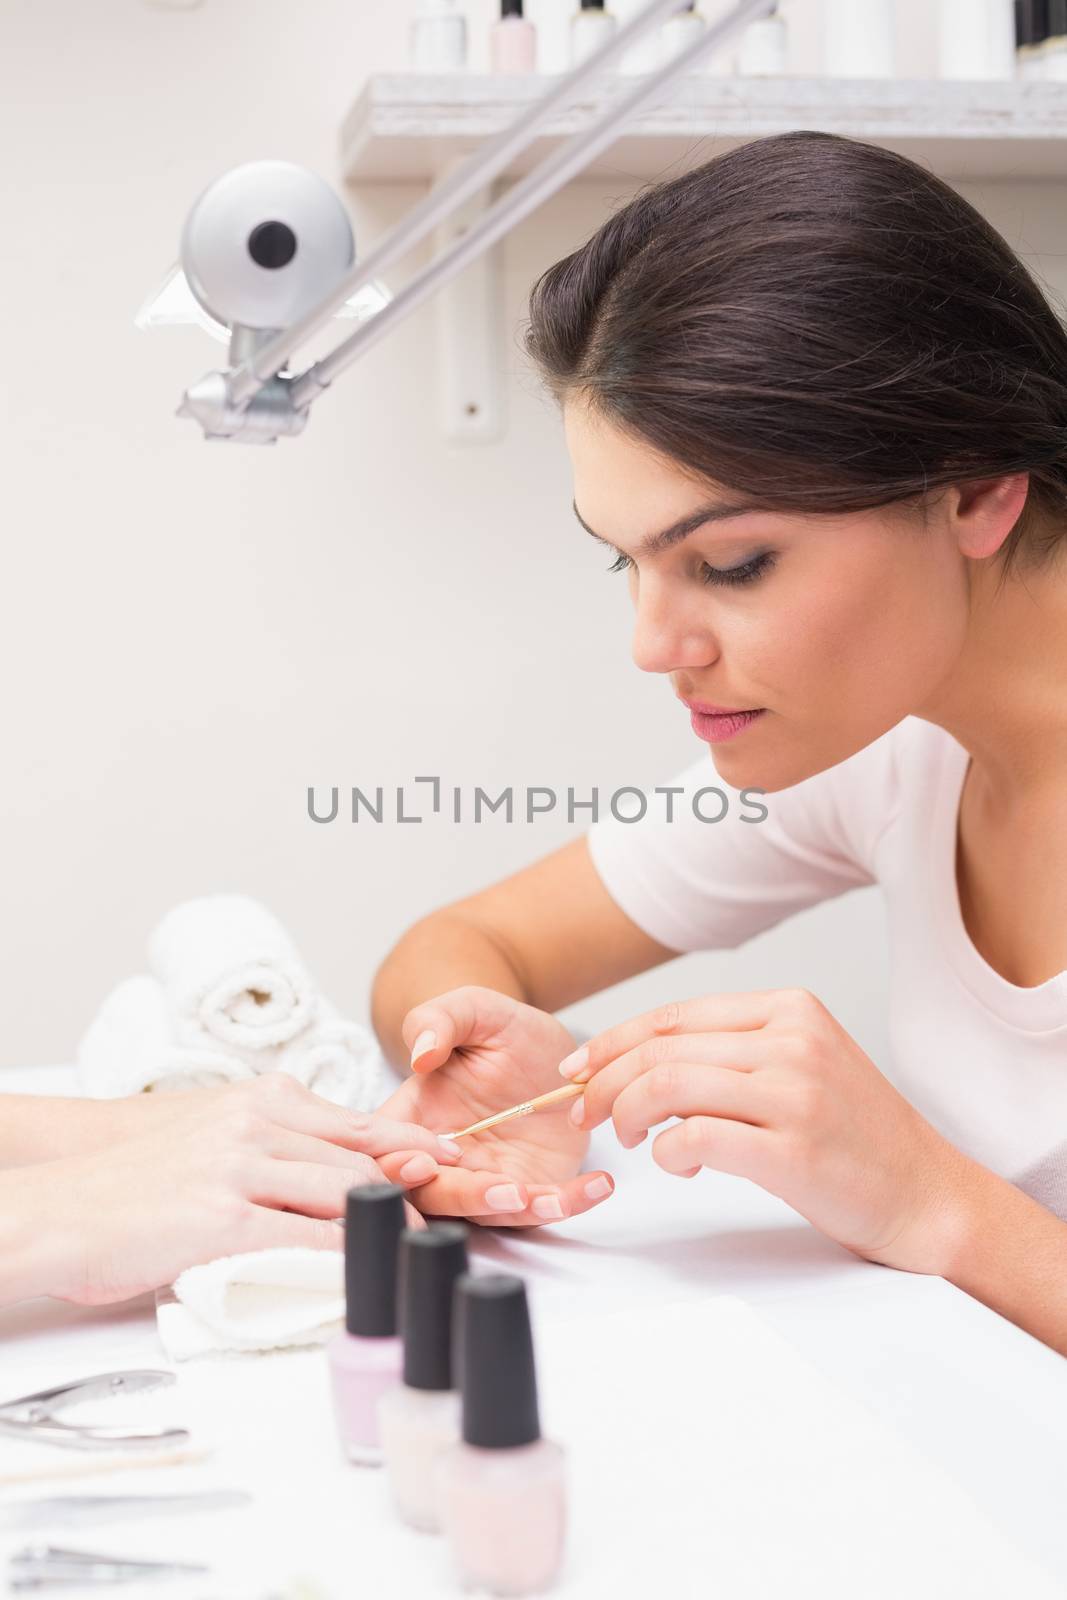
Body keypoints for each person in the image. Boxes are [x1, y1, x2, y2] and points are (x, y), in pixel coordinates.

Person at [370, 131, 1067, 1358]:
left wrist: (925, 1196)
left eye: (730, 564)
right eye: (624, 559)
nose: (652, 644)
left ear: (973, 491)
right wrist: (493, 1069)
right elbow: (458, 947)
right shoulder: (880, 743)